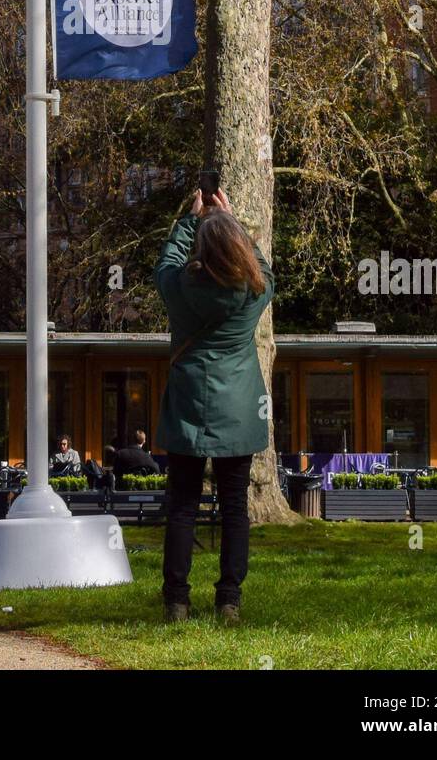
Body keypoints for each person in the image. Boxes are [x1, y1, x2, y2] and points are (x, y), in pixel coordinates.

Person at [155, 187, 273, 625]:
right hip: (239, 407)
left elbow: (166, 263)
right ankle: (229, 600)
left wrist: (192, 221)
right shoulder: (256, 290)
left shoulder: (178, 288)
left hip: (189, 401)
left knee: (182, 504)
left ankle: (176, 601)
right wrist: (230, 222)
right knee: (235, 507)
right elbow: (262, 266)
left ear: (200, 249)